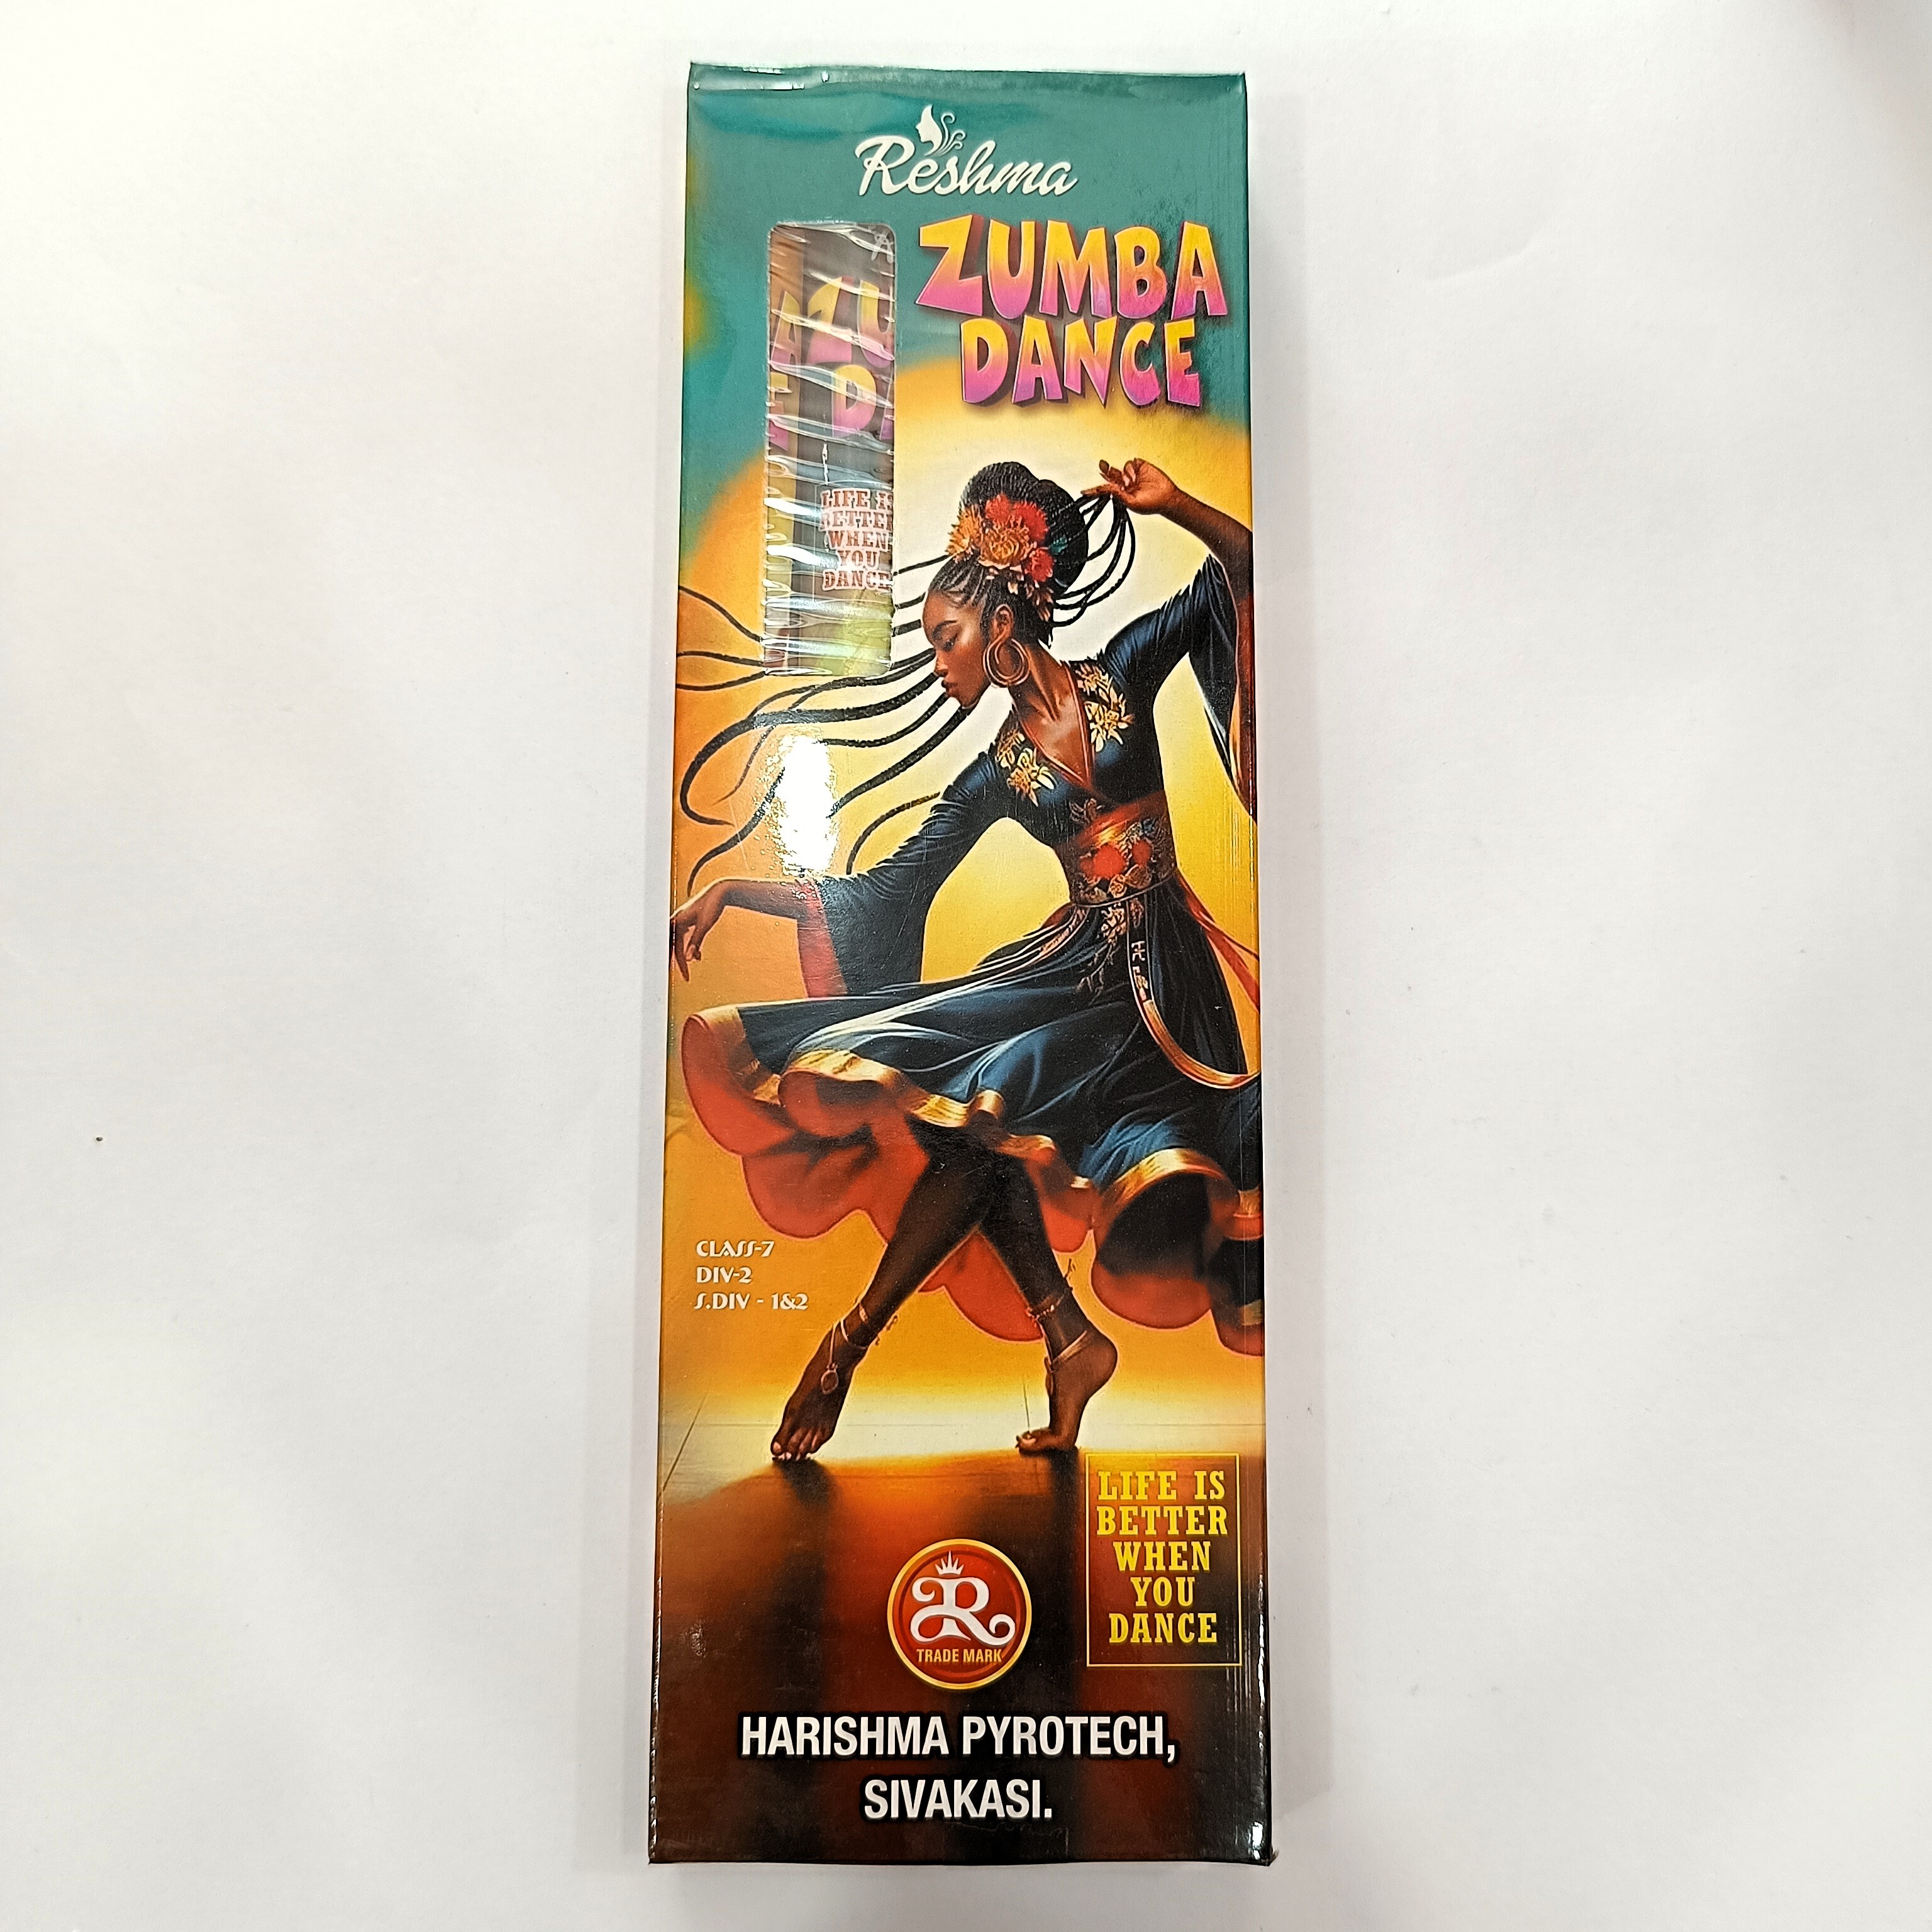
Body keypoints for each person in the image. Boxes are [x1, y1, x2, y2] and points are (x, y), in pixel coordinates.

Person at [670, 457, 1262, 1462]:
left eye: (945, 637)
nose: (939, 664)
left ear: (1002, 616)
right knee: (976, 1115)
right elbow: (887, 888)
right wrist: (734, 890)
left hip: (1167, 991)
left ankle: (876, 1345)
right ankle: (1036, 1342)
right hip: (1078, 971)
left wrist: (1173, 504)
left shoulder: (1121, 671)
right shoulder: (995, 773)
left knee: (990, 1105)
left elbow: (1241, 567)